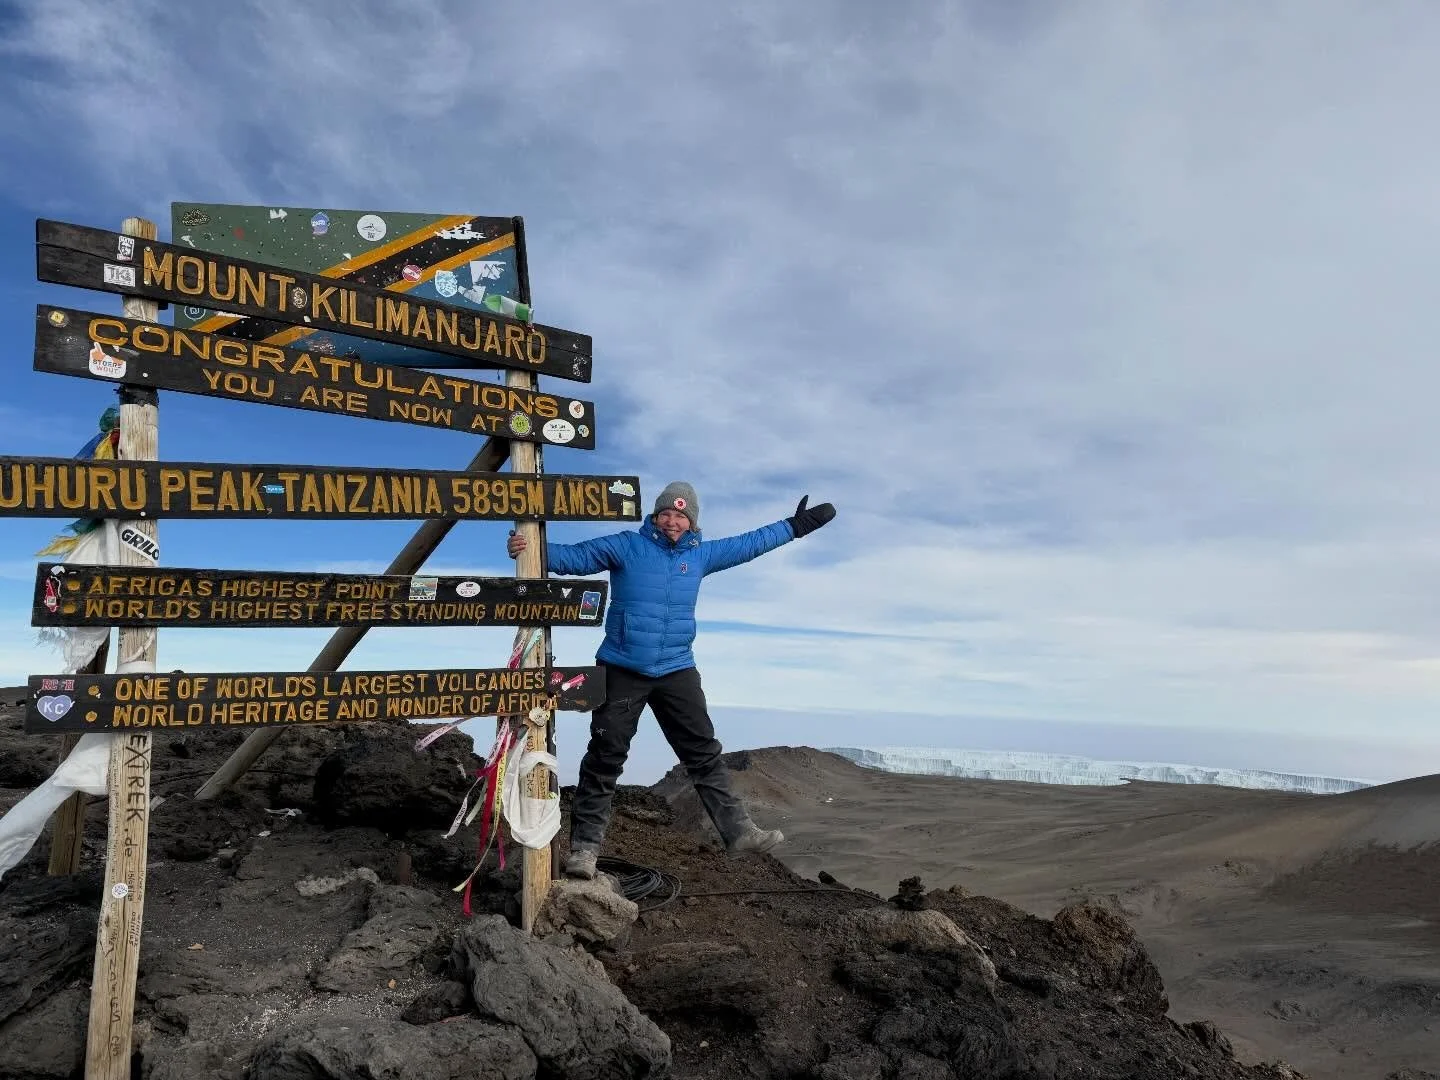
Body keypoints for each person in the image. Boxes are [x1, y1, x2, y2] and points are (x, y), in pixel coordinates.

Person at [507, 481, 836, 879]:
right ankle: (585, 849)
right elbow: (575, 557)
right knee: (606, 756)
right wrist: (528, 547)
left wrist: (794, 526)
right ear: (655, 516)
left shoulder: (701, 555)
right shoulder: (628, 545)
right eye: (666, 513)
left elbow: (751, 543)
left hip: (677, 668)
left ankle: (738, 832)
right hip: (622, 667)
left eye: (681, 516)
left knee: (702, 752)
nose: (673, 521)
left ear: (691, 521)